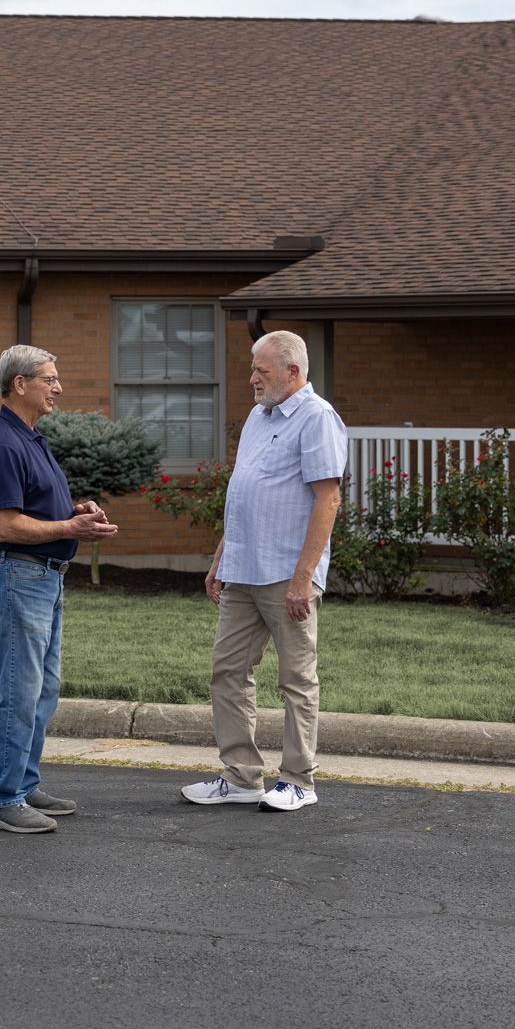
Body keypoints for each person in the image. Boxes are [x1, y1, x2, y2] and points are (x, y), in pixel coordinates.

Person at [181, 330, 346, 812]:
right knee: (228, 670)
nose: (252, 378)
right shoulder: (258, 417)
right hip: (243, 568)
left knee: (296, 679)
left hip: (285, 573)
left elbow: (327, 499)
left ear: (293, 372)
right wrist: (220, 558)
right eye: (252, 369)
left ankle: (299, 780)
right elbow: (245, 492)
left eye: (262, 370)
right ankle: (241, 777)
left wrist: (303, 577)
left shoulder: (317, 418)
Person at [0, 344, 118, 834]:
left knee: (43, 689)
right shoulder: (2, 443)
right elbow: (7, 526)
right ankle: (1, 799)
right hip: (19, 575)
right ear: (21, 383)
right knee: (20, 691)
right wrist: (69, 530)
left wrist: (73, 513)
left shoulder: (31, 438)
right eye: (49, 379)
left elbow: (35, 510)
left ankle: (23, 784)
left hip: (43, 579)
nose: (58, 388)